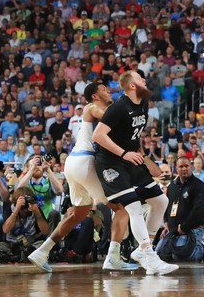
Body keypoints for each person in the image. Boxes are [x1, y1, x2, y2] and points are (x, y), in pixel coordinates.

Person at [28, 82, 138, 272]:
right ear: (95, 96)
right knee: (122, 208)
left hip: (74, 163)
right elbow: (113, 118)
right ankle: (113, 257)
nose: (108, 90)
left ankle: (42, 251)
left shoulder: (104, 110)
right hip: (85, 162)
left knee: (78, 214)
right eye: (103, 89)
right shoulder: (92, 107)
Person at [92, 70, 178, 275]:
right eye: (140, 79)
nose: (145, 81)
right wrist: (124, 154)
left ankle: (141, 250)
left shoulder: (142, 104)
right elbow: (98, 135)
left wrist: (142, 158)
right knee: (133, 207)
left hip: (130, 159)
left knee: (161, 201)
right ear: (132, 86)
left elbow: (133, 135)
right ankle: (150, 254)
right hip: (110, 163)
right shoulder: (118, 108)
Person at [156, 157, 204, 262]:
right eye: (181, 166)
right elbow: (168, 205)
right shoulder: (172, 187)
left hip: (192, 228)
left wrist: (184, 227)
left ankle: (202, 248)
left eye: (186, 166)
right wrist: (166, 222)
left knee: (181, 256)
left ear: (191, 167)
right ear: (176, 169)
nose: (184, 169)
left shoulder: (199, 186)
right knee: (159, 254)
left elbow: (198, 211)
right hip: (173, 230)